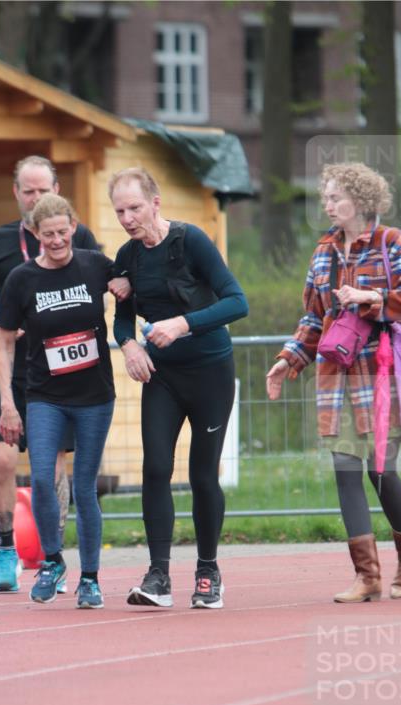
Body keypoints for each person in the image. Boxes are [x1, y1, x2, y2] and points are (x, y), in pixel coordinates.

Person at [266, 162, 401, 602]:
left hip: (380, 373)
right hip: (335, 377)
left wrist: (370, 298)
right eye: (325, 197)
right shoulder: (323, 251)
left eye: (334, 197)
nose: (327, 204)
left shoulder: (391, 242)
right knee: (345, 471)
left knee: (382, 470)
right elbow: (314, 317)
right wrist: (289, 359)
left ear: (358, 200)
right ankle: (368, 575)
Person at [110, 167, 249, 609]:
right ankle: (158, 576)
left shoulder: (192, 241)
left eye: (135, 207)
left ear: (155, 203)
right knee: (155, 469)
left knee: (202, 475)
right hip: (163, 378)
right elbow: (121, 317)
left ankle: (208, 571)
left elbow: (237, 302)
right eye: (119, 211)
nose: (128, 218)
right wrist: (129, 345)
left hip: (210, 373)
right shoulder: (128, 257)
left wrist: (182, 323)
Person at [0, 155, 100, 595]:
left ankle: (52, 556)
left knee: (54, 468)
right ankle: (6, 550)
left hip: (60, 366)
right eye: (28, 190)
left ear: (57, 189)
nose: (37, 197)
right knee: (4, 459)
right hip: (10, 363)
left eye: (44, 190)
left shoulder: (77, 236)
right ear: (16, 192)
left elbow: (103, 280)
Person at [0, 194, 117, 608]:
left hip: (94, 396)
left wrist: (125, 287)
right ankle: (52, 561)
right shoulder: (21, 280)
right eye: (48, 235)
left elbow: (130, 284)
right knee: (43, 478)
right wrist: (7, 404)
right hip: (45, 395)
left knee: (85, 487)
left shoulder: (95, 264)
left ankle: (91, 578)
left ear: (73, 227)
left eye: (63, 232)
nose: (58, 241)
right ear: (35, 234)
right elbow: (5, 343)